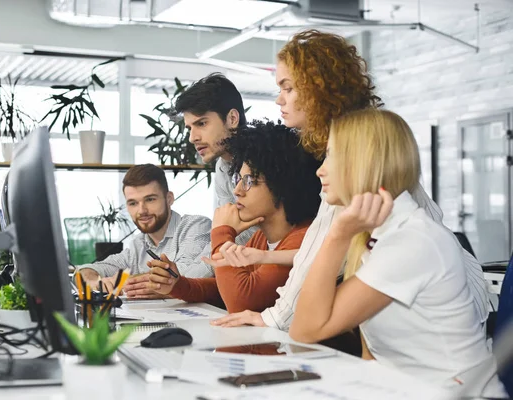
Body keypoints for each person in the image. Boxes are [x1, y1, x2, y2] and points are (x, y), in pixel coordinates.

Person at [210, 29, 489, 333]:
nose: (279, 99)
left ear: (317, 88)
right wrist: (267, 267)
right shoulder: (344, 141)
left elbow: (329, 242)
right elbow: (325, 243)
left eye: (288, 88)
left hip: (440, 309)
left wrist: (274, 317)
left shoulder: (359, 148)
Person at [289, 108, 504, 396]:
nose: (320, 169)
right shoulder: (379, 236)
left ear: (363, 161)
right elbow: (373, 353)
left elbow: (305, 330)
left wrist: (338, 234)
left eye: (331, 155)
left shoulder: (412, 241)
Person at [144, 121, 322, 313]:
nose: (237, 191)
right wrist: (177, 285)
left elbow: (242, 301)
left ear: (281, 185)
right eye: (238, 179)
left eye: (249, 181)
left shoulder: (302, 238)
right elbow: (225, 289)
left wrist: (221, 234)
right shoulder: (262, 238)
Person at [78, 164, 212, 295]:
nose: (142, 211)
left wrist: (124, 281)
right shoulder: (139, 244)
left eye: (150, 199)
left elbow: (181, 277)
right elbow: (88, 270)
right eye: (133, 203)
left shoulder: (196, 226)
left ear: (169, 199)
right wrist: (93, 282)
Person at [175, 73, 256, 245]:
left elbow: (239, 236)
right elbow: (230, 232)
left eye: (202, 123)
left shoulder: (264, 161)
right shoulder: (222, 166)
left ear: (232, 119)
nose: (192, 138)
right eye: (189, 128)